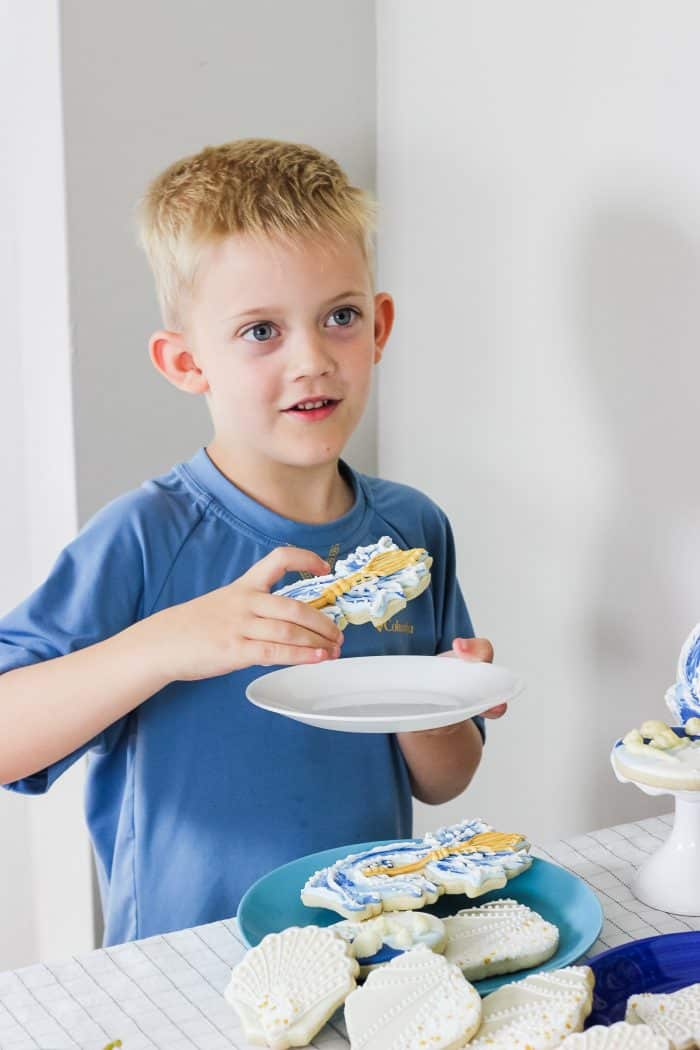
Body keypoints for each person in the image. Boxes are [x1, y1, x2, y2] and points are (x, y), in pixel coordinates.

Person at [0, 139, 506, 946]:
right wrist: (164, 644)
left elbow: (445, 781)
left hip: (373, 943)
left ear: (377, 328)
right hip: (183, 968)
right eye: (260, 331)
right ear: (185, 362)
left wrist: (435, 704)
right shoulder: (144, 538)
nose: (311, 361)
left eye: (338, 317)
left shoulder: (412, 529)